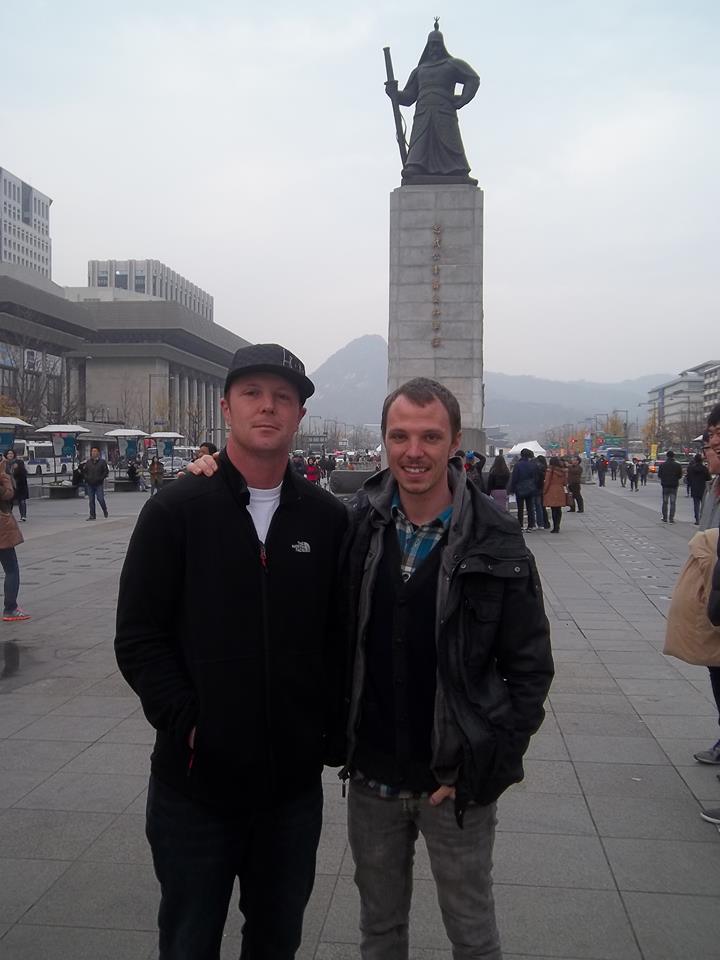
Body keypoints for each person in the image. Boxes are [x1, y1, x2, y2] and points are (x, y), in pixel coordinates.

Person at [115, 343, 347, 960]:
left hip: (290, 794)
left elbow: (341, 635)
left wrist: (330, 729)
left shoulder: (328, 520)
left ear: (298, 415)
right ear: (226, 407)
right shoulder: (176, 510)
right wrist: (190, 724)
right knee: (188, 941)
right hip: (196, 790)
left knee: (276, 941)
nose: (267, 407)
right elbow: (138, 637)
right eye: (253, 394)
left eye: (283, 397)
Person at [342, 377, 553, 959]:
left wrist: (487, 766)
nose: (414, 451)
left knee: (473, 933)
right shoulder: (358, 525)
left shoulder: (499, 539)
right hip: (372, 781)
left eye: (430, 436)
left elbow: (530, 671)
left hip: (456, 786)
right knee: (379, 931)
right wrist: (210, 474)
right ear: (383, 441)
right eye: (400, 435)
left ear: (455, 441)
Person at [386, 22, 480, 182]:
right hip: (422, 112)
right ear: (427, 47)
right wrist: (394, 94)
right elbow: (409, 97)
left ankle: (457, 170)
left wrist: (462, 100)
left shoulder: (452, 64)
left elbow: (472, 79)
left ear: (442, 46)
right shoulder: (420, 70)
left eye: (437, 45)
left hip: (444, 111)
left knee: (449, 141)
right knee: (419, 142)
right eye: (431, 46)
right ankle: (415, 166)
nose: (434, 49)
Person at [692, 413, 720, 767]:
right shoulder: (715, 487)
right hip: (713, 590)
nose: (711, 446)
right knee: (716, 668)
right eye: (711, 439)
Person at [0, 459, 30, 622]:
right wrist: (3, 475)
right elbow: (8, 493)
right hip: (2, 531)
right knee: (11, 569)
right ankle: (10, 608)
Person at [508, 448, 539, 531]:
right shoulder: (532, 465)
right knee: (530, 508)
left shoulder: (518, 465)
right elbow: (536, 478)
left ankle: (520, 525)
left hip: (519, 489)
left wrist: (512, 489)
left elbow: (514, 478)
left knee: (520, 508)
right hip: (530, 488)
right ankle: (530, 525)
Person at [543, 456, 568, 533]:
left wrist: (544, 491)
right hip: (560, 490)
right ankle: (558, 525)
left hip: (552, 490)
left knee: (554, 509)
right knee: (558, 509)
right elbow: (565, 482)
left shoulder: (550, 471)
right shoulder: (562, 471)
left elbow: (547, 482)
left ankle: (555, 527)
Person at [83, 446, 109, 520]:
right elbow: (84, 472)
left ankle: (104, 510)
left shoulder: (102, 462)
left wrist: (101, 478)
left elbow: (106, 472)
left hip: (98, 484)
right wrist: (87, 478)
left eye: (95, 451)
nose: (93, 453)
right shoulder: (88, 462)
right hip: (90, 484)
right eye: (92, 451)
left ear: (98, 453)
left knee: (100, 498)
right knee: (91, 500)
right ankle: (92, 515)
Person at [658, 450, 683, 523]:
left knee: (665, 502)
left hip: (665, 485)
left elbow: (659, 475)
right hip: (674, 485)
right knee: (673, 502)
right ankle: (671, 518)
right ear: (673, 456)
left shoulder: (662, 465)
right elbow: (680, 475)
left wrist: (664, 478)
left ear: (667, 456)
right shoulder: (677, 465)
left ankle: (665, 517)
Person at [686, 453, 711, 525]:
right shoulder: (705, 468)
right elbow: (708, 478)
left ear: (695, 460)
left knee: (696, 505)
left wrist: (691, 484)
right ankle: (702, 518)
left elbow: (688, 478)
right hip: (703, 488)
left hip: (694, 488)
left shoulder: (691, 468)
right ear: (702, 460)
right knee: (703, 505)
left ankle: (697, 519)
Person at [5, 449, 28, 521]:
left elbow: (24, 473)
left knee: (21, 501)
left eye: (11, 453)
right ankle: (9, 516)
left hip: (20, 485)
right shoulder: (4, 463)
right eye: (8, 454)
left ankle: (23, 516)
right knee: (9, 501)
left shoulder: (19, 462)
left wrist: (17, 469)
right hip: (9, 485)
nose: (10, 455)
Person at [534, 454, 550, 529]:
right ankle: (545, 522)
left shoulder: (538, 470)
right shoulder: (546, 469)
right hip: (544, 489)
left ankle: (541, 523)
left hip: (538, 489)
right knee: (542, 506)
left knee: (538, 506)